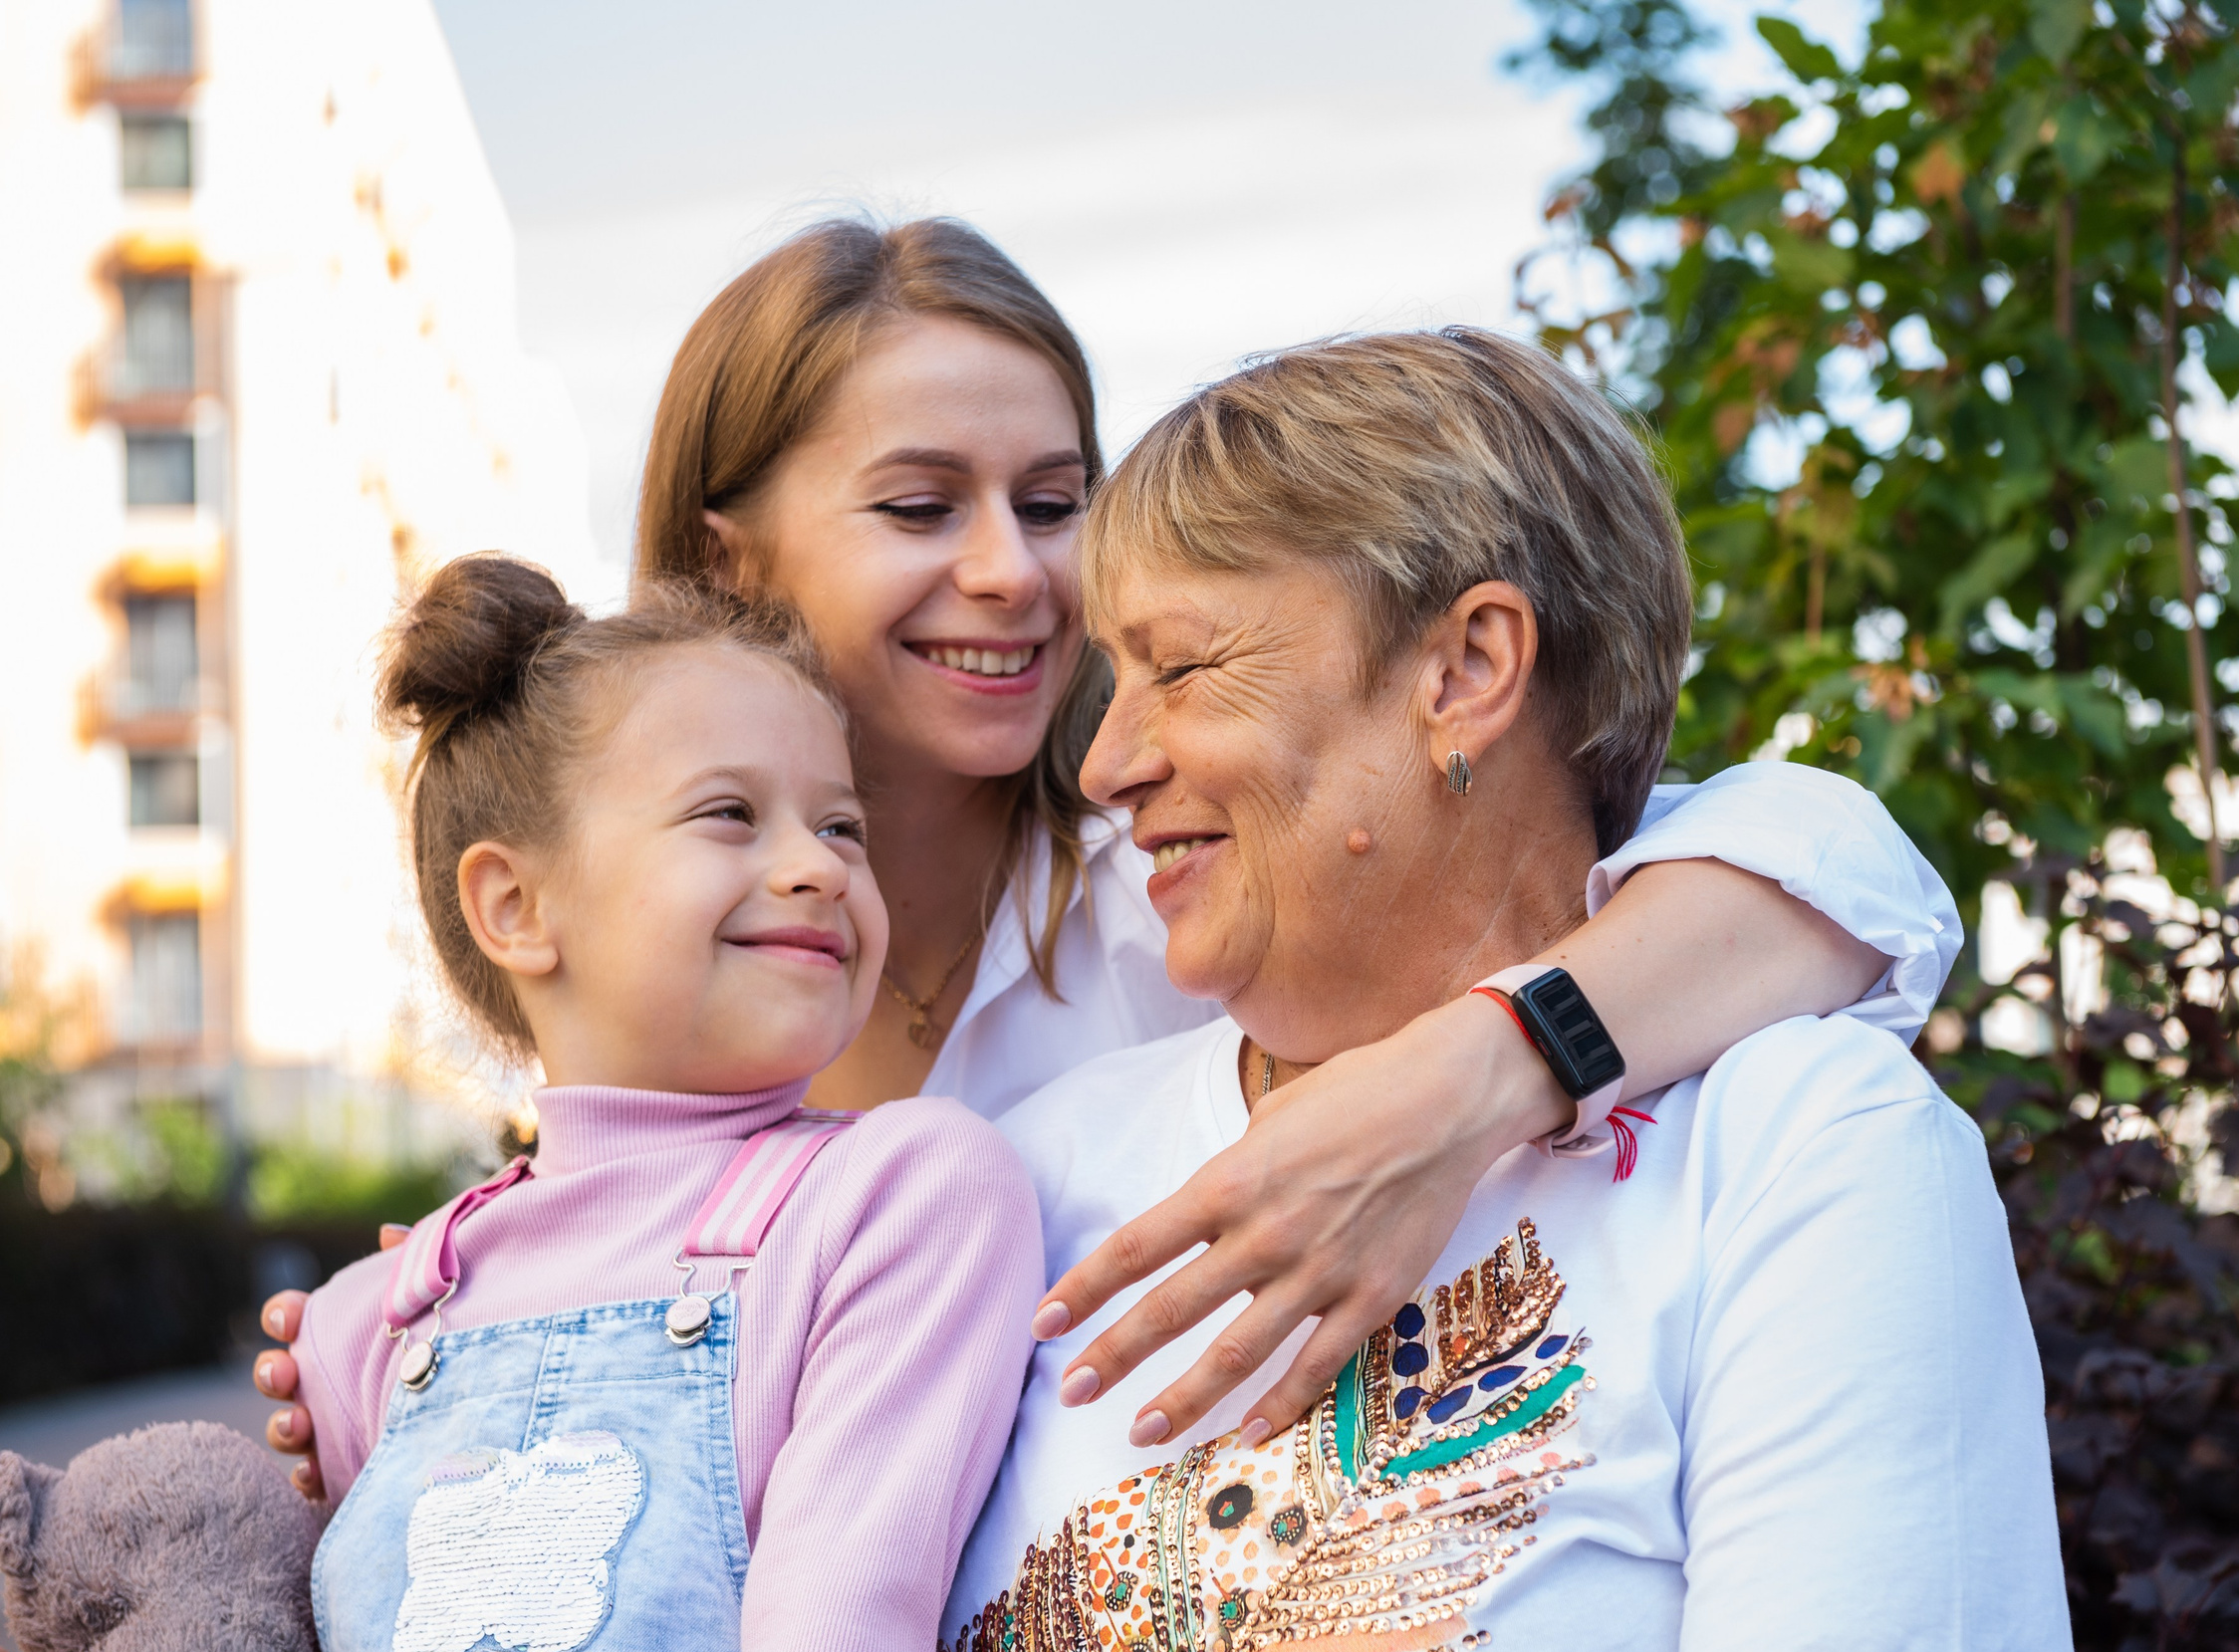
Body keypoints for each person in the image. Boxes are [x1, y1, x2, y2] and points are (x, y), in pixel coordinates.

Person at [258, 217, 1958, 1480]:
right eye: (920, 506)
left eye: (1055, 501)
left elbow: (1838, 870)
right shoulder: (652, 944)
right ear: (732, 562)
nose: (1015, 573)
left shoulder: (1190, 890)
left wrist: (1480, 1067)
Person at [940, 331, 2072, 1652]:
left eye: (1180, 668)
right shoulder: (1030, 1171)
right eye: (1110, 684)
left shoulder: (1799, 1154)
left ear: (1467, 669)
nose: (1109, 763)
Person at [290, 556, 1039, 1652]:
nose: (818, 866)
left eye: (843, 826)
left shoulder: (904, 1193)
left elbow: (840, 1635)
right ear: (515, 906)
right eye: (730, 813)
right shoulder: (374, 1317)